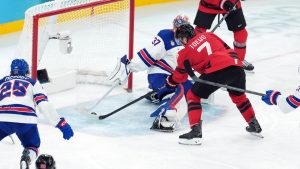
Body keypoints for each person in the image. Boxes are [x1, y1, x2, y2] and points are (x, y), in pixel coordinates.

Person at [109, 15, 214, 132]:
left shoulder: (191, 39)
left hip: (176, 77)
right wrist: (130, 66)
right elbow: (148, 54)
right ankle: (166, 116)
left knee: (196, 93)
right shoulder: (165, 36)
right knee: (180, 93)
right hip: (159, 75)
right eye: (176, 28)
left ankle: (159, 95)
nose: (177, 31)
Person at [164, 24, 262, 145]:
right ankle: (254, 124)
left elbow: (179, 76)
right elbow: (227, 48)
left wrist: (170, 82)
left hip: (216, 71)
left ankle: (195, 132)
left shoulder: (185, 53)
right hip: (236, 67)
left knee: (192, 96)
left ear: (184, 38)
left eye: (181, 39)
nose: (181, 42)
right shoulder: (209, 35)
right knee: (239, 97)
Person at [0, 59, 74, 169]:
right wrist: (60, 123)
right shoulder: (33, 83)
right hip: (25, 120)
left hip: (2, 118)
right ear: (26, 71)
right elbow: (43, 104)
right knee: (32, 146)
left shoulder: (2, 82)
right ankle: (26, 158)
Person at [193, 0, 254, 71]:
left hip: (232, 3)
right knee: (198, 33)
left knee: (241, 33)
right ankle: (195, 60)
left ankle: (239, 60)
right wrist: (221, 2)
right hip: (209, 5)